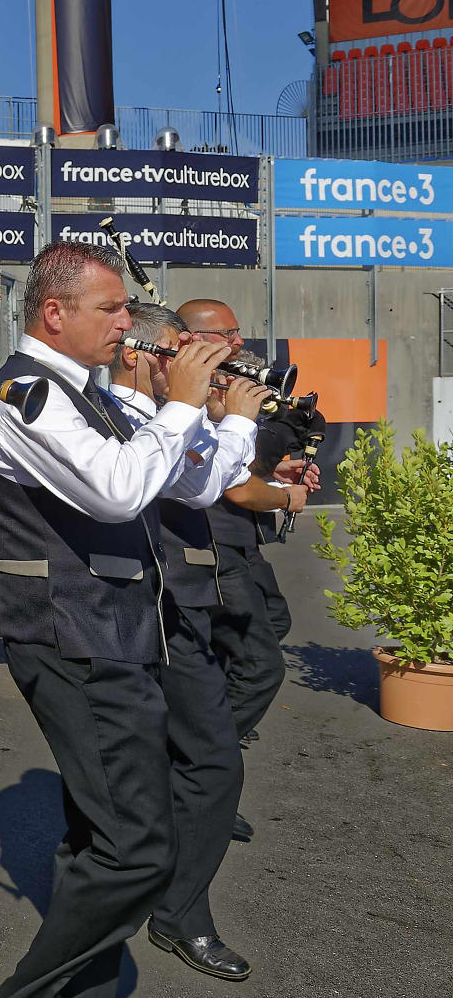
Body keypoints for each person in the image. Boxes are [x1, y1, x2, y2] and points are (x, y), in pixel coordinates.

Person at [0, 242, 244, 998]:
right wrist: (185, 403)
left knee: (101, 841)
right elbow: (121, 492)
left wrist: (202, 410)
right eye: (112, 308)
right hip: (71, 637)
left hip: (114, 634)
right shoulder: (28, 392)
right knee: (138, 850)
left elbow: (185, 484)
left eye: (126, 307)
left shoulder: (86, 391)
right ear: (53, 313)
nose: (129, 322)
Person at [107, 301, 264, 983]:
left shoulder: (164, 414)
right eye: (179, 352)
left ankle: (168, 903)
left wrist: (231, 423)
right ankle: (174, 913)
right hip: (142, 612)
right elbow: (200, 486)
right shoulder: (119, 415)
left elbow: (208, 476)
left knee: (190, 761)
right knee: (207, 763)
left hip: (176, 606)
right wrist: (236, 422)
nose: (195, 364)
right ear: (140, 355)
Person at [178, 300, 315, 747]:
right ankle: (203, 752)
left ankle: (214, 726)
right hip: (211, 544)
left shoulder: (211, 388)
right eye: (228, 333)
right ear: (195, 339)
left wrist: (274, 475)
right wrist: (284, 496)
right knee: (258, 665)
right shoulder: (192, 393)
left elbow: (227, 470)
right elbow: (232, 488)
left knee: (269, 624)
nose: (239, 341)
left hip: (228, 540)